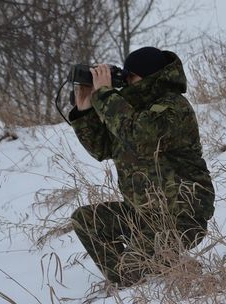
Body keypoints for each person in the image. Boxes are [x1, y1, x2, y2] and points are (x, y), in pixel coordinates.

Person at [69, 47, 215, 286]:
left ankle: (146, 277)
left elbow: (139, 134)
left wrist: (105, 94)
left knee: (132, 267)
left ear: (150, 77)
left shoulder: (174, 107)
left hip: (180, 217)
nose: (125, 83)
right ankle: (141, 279)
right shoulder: (129, 113)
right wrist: (85, 108)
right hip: (142, 214)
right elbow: (101, 149)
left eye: (131, 77)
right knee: (86, 219)